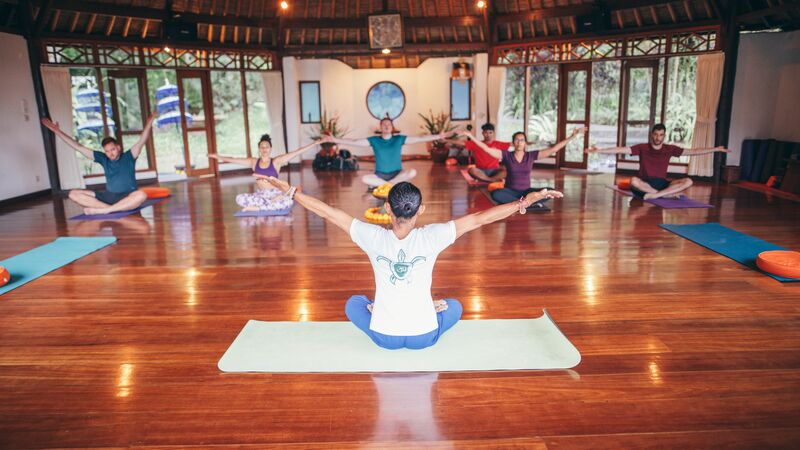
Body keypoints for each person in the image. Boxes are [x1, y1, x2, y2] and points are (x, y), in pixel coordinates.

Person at [259, 176, 563, 350]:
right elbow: (481, 219)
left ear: (387, 209)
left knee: (354, 303)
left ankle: (379, 307)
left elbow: (327, 212)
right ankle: (428, 307)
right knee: (455, 306)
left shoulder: (370, 236)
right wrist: (526, 201)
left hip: (383, 338)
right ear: (421, 210)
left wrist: (290, 191)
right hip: (424, 337)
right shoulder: (434, 236)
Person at [41, 114, 156, 216]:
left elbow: (142, 141)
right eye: (107, 151)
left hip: (128, 196)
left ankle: (104, 210)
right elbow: (78, 147)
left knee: (141, 195)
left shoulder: (129, 156)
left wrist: (149, 123)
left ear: (118, 148)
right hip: (108, 197)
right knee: (73, 194)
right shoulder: (103, 158)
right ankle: (110, 209)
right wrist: (57, 131)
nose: (110, 153)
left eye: (113, 149)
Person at [586, 123, 729, 199]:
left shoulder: (670, 149)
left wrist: (716, 149)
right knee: (633, 181)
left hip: (662, 183)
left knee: (688, 181)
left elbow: (694, 151)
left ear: (664, 136)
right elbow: (620, 149)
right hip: (644, 183)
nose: (658, 138)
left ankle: (657, 195)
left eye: (661, 135)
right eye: (655, 134)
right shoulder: (642, 147)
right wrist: (599, 150)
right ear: (651, 135)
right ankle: (666, 195)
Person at [464, 127, 586, 206]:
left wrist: (572, 136)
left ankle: (521, 203)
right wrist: (472, 137)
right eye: (516, 140)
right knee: (496, 194)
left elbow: (553, 149)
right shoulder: (506, 155)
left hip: (527, 191)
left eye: (522, 140)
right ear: (513, 142)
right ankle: (527, 203)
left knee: (549, 190)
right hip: (510, 191)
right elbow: (486, 148)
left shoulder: (531, 156)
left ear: (525, 143)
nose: (519, 142)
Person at [210, 134, 329, 212]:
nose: (264, 149)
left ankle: (259, 207)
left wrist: (314, 144)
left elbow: (296, 152)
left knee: (287, 202)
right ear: (259, 149)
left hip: (276, 193)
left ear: (270, 148)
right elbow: (234, 159)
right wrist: (218, 157)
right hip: (262, 195)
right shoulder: (254, 162)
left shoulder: (276, 161)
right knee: (239, 198)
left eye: (266, 147)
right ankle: (266, 205)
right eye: (262, 147)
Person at [326, 117, 450, 188]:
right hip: (379, 175)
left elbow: (419, 138)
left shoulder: (399, 139)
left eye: (389, 124)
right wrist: (334, 139)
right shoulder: (374, 140)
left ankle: (386, 186)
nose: (386, 126)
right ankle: (391, 185)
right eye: (384, 124)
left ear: (392, 127)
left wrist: (438, 136)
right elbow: (355, 141)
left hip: (397, 174)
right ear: (380, 127)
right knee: (365, 178)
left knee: (412, 172)